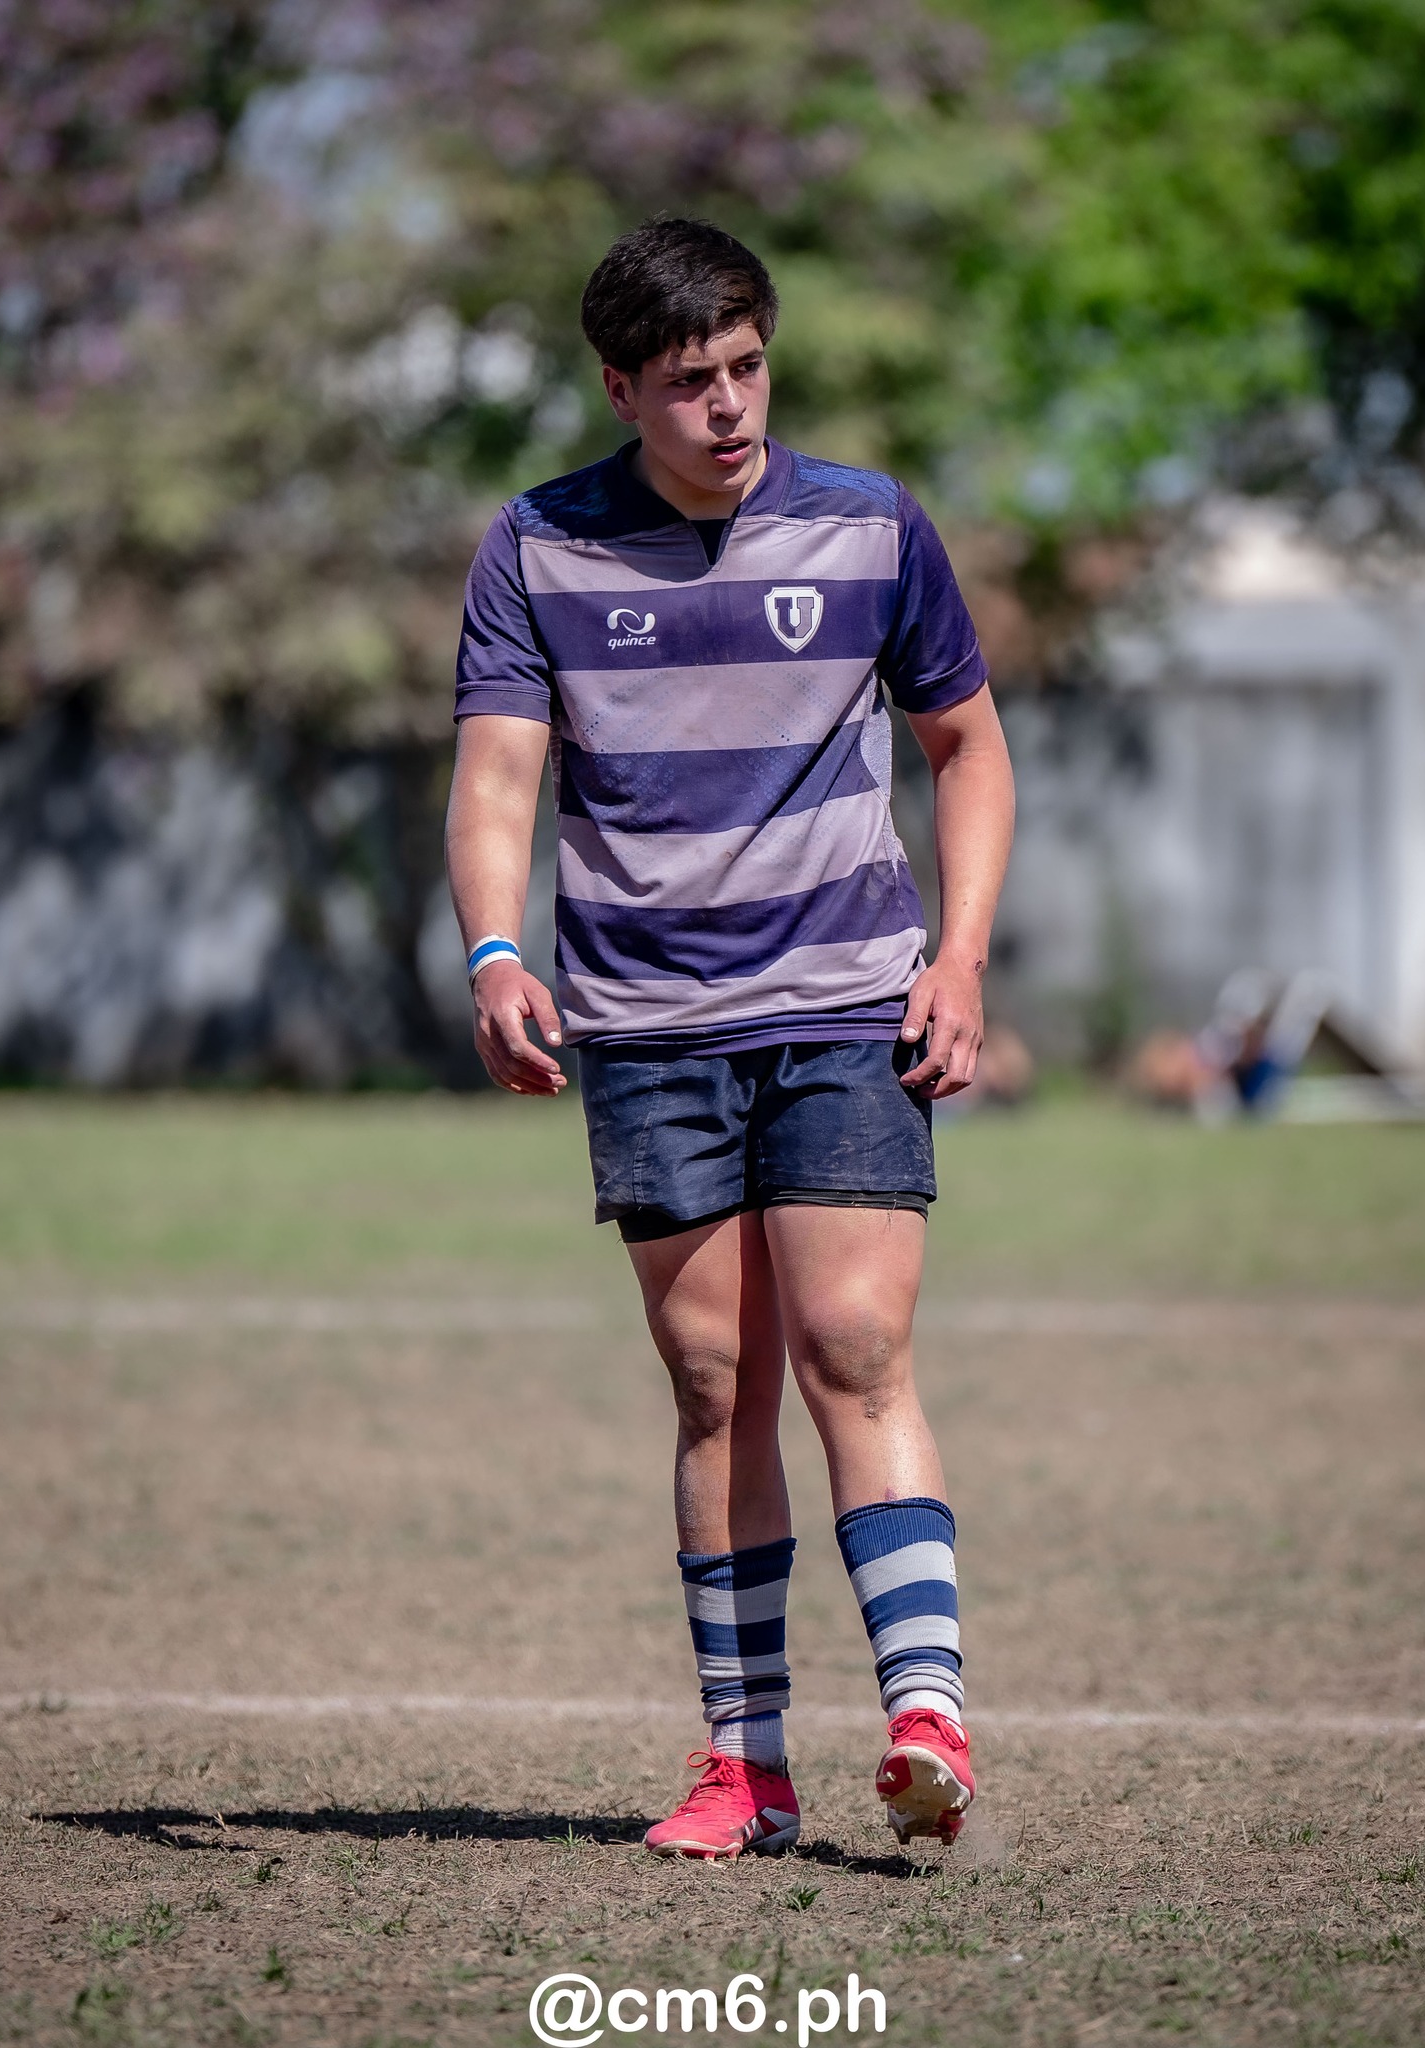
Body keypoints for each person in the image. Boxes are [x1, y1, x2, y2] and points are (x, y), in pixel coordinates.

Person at [445, 218, 1014, 1859]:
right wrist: (495, 953)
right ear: (618, 386)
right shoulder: (537, 546)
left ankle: (926, 1719)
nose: (727, 407)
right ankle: (742, 1766)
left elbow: (967, 751)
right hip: (645, 1023)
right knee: (715, 1382)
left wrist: (960, 960)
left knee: (852, 1344)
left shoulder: (870, 528)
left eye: (748, 367)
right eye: (689, 381)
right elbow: (497, 778)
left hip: (845, 995)